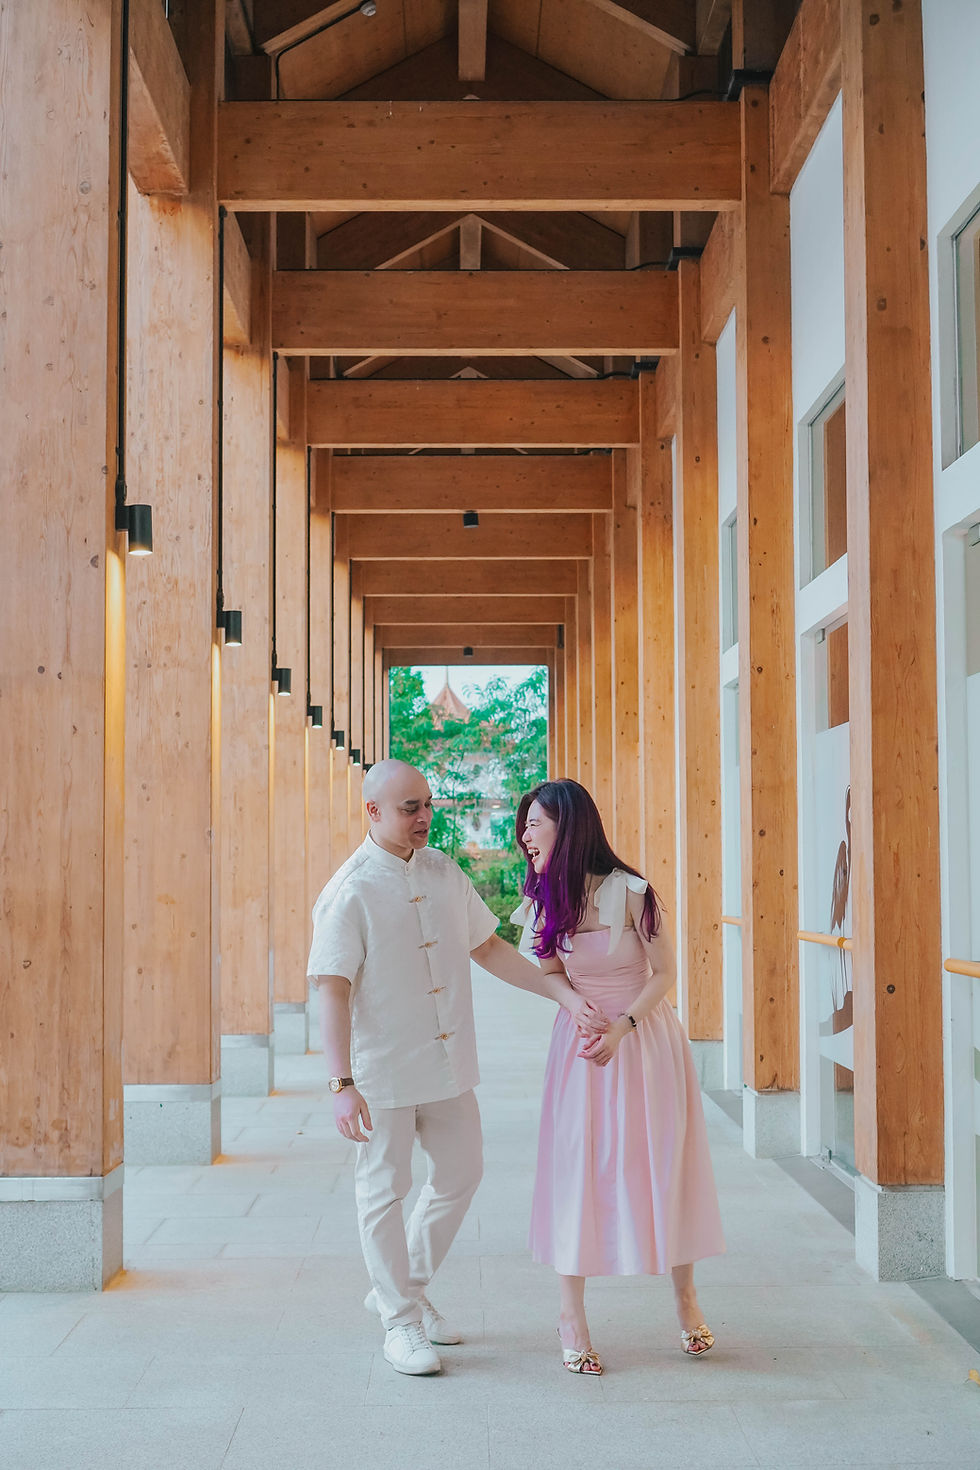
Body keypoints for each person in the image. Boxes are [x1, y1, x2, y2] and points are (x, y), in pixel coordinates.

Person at [307, 759, 605, 1378]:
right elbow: (330, 989)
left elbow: (490, 947)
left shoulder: (445, 871)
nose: (424, 817)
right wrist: (341, 1084)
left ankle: (402, 1290)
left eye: (427, 804)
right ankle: (400, 1322)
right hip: (383, 1068)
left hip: (447, 1062)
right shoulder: (349, 890)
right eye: (408, 808)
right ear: (372, 812)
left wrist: (565, 995)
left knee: (463, 1171)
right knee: (383, 1191)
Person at [512, 779, 725, 1375]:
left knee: (663, 1161)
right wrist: (574, 1005)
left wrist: (624, 1026)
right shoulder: (540, 897)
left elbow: (664, 973)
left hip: (644, 1038)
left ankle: (685, 1300)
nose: (525, 835)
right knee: (577, 1166)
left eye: (536, 823)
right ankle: (570, 1315)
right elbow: (548, 970)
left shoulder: (633, 893)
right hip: (580, 1045)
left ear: (570, 826)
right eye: (524, 825)